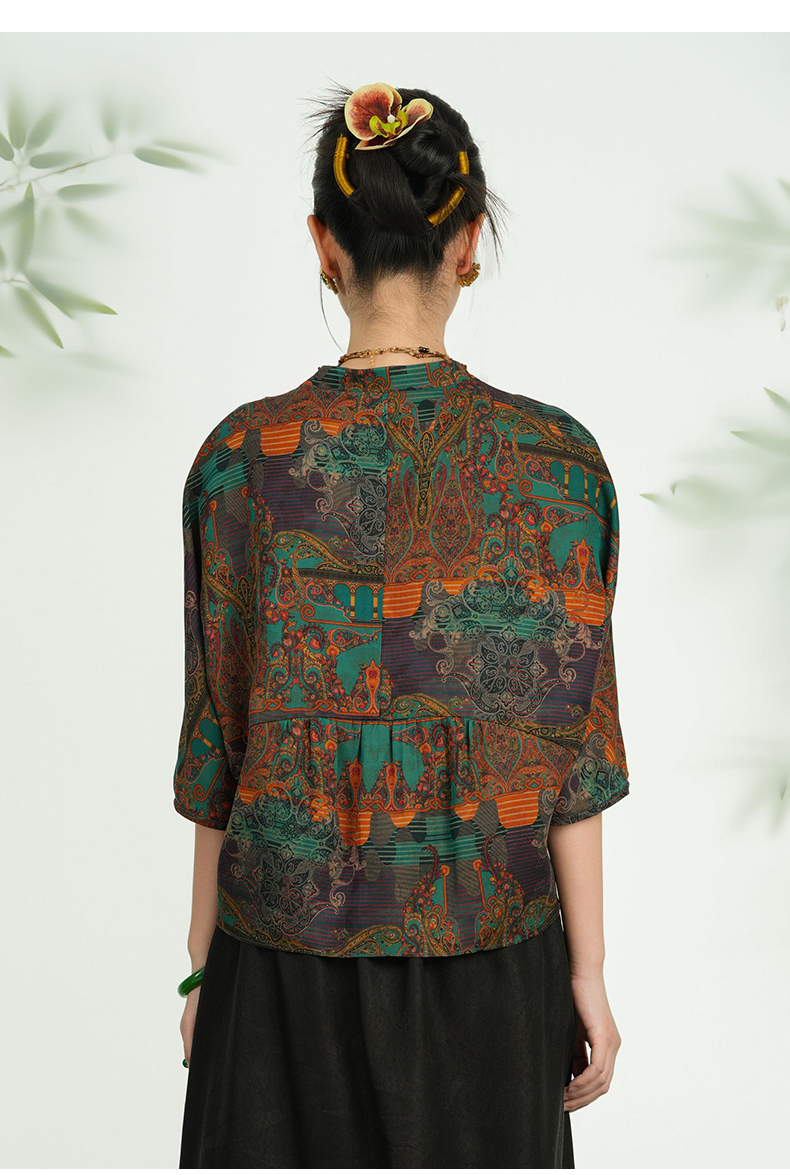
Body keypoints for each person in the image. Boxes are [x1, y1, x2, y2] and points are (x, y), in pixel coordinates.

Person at [174, 81, 630, 1169]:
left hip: (278, 972)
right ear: (467, 244)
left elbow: (219, 743)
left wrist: (200, 967)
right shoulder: (560, 465)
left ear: (324, 247)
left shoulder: (240, 461)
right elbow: (575, 751)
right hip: (494, 968)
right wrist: (589, 974)